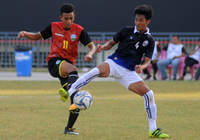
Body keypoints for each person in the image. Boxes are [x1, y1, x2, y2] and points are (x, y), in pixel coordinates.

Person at [60, 5, 169, 138]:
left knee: (149, 94)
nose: (138, 23)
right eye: (136, 20)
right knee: (95, 71)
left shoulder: (150, 40)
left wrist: (143, 67)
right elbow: (111, 44)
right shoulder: (125, 31)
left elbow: (147, 61)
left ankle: (153, 129)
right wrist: (103, 47)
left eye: (141, 20)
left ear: (148, 21)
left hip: (128, 72)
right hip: (114, 63)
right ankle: (68, 92)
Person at [18, 3, 96, 135]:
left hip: (67, 67)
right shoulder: (54, 27)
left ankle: (69, 128)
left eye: (71, 18)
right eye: (66, 18)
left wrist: (90, 54)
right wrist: (25, 33)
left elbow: (92, 46)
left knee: (76, 98)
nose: (69, 21)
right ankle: (69, 90)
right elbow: (37, 36)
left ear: (74, 16)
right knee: (74, 70)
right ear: (61, 17)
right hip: (55, 62)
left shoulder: (79, 30)